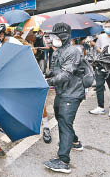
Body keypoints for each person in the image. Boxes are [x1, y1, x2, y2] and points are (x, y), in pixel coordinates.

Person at [43, 23, 85, 174]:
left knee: (65, 123)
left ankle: (63, 161)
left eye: (55, 37)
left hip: (72, 93)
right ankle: (75, 142)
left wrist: (48, 82)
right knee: (62, 119)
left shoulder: (73, 52)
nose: (52, 39)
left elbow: (66, 74)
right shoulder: (57, 52)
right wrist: (45, 75)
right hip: (62, 92)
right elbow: (54, 71)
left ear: (64, 37)